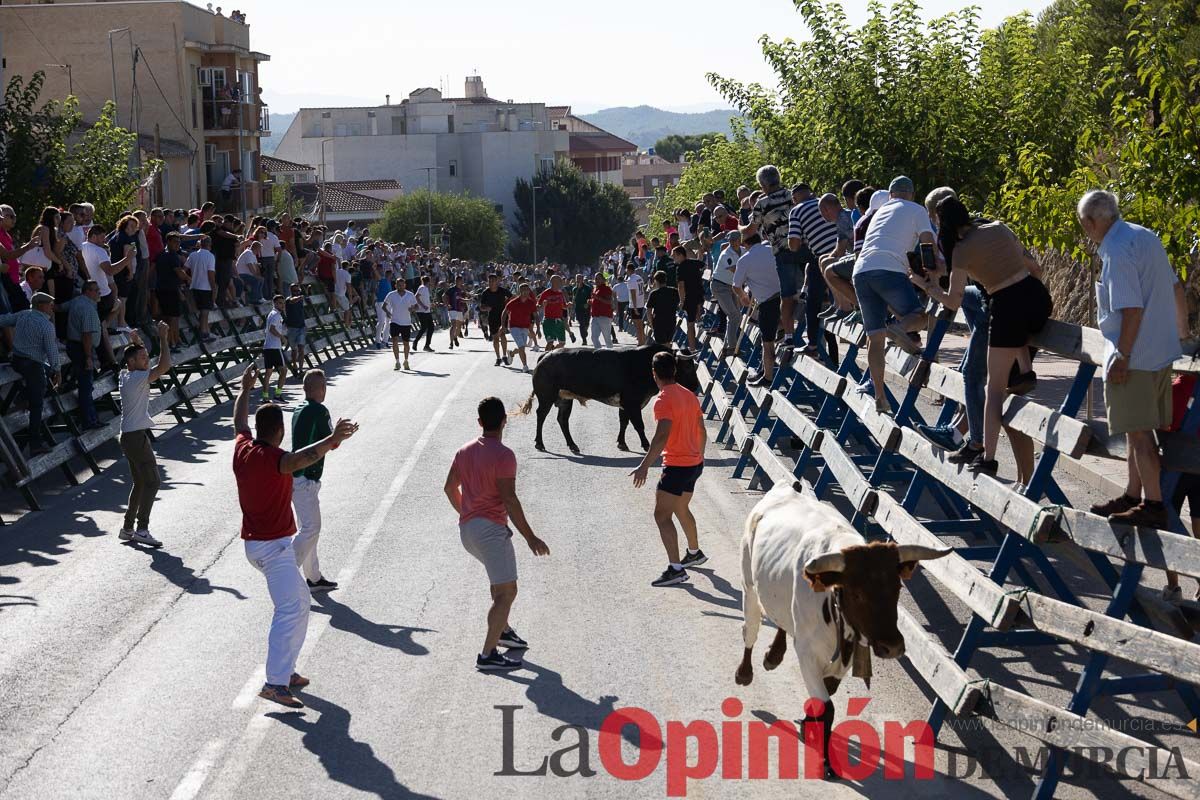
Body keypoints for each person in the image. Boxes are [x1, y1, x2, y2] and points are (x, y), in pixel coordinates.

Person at [232, 364, 358, 708]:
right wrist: (333, 440)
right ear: (279, 432)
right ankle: (274, 682)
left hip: (260, 545)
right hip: (272, 549)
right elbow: (305, 457)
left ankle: (285, 672)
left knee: (301, 603)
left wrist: (245, 389)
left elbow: (239, 422)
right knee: (290, 607)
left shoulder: (243, 448)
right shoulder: (276, 459)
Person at [912, 197, 1051, 478]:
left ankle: (987, 456)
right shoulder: (998, 227)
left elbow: (952, 301)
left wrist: (926, 286)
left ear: (943, 224)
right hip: (1037, 299)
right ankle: (1025, 370)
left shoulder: (961, 251)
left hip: (1007, 307)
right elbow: (1032, 267)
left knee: (994, 391)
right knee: (998, 319)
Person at [1080, 189, 1188, 530]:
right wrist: (1181, 335)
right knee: (1136, 430)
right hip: (1160, 352)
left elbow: (1130, 309)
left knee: (1140, 435)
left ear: (1092, 221)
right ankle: (1132, 494)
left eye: (1084, 224)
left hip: (1136, 356)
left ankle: (1152, 504)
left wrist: (1123, 355)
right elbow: (1175, 288)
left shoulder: (1114, 249)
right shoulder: (1145, 235)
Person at [444, 396, 550, 672]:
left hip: (468, 530)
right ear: (505, 421)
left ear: (479, 422)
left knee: (498, 585)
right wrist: (531, 537)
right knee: (507, 592)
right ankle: (488, 654)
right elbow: (510, 499)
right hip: (489, 530)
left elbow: (449, 488)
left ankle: (502, 631)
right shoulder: (504, 455)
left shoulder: (464, 451)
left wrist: (466, 513)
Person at [851, 176, 932, 413]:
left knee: (874, 337)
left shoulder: (880, 211)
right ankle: (898, 328)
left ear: (890, 194)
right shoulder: (917, 210)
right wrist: (931, 272)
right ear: (912, 194)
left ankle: (879, 395)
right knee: (921, 316)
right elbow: (927, 243)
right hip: (889, 269)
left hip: (861, 271)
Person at [631, 351, 708, 587]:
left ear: (654, 374)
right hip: (694, 463)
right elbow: (702, 429)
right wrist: (700, 457)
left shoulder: (663, 400)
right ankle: (694, 553)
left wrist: (644, 465)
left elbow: (662, 434)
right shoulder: (689, 396)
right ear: (674, 371)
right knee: (682, 507)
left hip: (676, 466)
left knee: (661, 515)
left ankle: (676, 569)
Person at [117, 321, 172, 546]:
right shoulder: (137, 378)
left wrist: (136, 343)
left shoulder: (125, 374)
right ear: (131, 363)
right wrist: (163, 338)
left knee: (140, 482)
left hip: (129, 437)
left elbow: (138, 357)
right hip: (136, 438)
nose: (146, 360)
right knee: (153, 482)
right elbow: (164, 365)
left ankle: (127, 528)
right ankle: (142, 528)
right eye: (142, 358)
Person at [291, 369, 340, 592]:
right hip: (306, 478)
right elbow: (332, 442)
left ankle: (313, 577)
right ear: (321, 389)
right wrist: (340, 434)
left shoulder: (298, 408)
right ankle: (287, 572)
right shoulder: (320, 410)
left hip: (297, 477)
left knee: (307, 528)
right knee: (311, 528)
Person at [740, 166, 796, 343]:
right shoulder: (791, 195)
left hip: (782, 251)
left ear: (762, 184)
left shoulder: (762, 204)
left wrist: (739, 227)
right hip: (801, 246)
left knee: (786, 296)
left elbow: (750, 230)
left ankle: (788, 336)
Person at [1, 292, 61, 454]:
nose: (52, 308)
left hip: (18, 361)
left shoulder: (23, 315)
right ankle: (35, 443)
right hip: (33, 365)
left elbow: (4, 320)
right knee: (37, 404)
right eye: (50, 305)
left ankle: (25, 397)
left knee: (44, 376)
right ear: (41, 305)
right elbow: (51, 351)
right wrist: (58, 370)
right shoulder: (46, 326)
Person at [65, 281, 105, 430]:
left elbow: (61, 307)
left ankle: (90, 418)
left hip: (76, 346)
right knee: (86, 387)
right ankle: (89, 420)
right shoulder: (87, 308)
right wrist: (88, 357)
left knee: (85, 385)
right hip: (82, 348)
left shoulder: (77, 301)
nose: (99, 292)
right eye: (96, 290)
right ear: (87, 291)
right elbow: (86, 334)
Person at [154, 232, 188, 351]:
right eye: (175, 242)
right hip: (169, 290)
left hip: (164, 289)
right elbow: (179, 273)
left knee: (173, 316)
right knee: (172, 318)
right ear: (168, 242)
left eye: (179, 242)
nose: (177, 244)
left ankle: (176, 340)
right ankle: (171, 343)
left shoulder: (161, 255)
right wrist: (189, 279)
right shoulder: (172, 255)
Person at [711, 231, 744, 350]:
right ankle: (732, 348)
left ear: (740, 239)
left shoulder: (744, 251)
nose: (733, 242)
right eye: (731, 240)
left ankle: (727, 346)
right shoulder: (726, 254)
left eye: (736, 239)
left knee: (737, 317)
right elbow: (735, 270)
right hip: (720, 286)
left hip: (732, 286)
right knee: (734, 316)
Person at [672, 246, 705, 353]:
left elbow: (681, 286)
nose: (673, 258)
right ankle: (699, 320)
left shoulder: (680, 268)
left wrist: (681, 301)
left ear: (680, 255)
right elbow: (703, 264)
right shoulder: (693, 262)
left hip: (689, 298)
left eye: (674, 255)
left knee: (690, 325)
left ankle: (692, 348)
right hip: (699, 295)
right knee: (697, 311)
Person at [187, 235, 218, 343]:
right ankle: (204, 333)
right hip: (205, 287)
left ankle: (203, 331)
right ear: (210, 245)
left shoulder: (193, 255)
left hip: (194, 286)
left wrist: (189, 279)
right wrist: (213, 287)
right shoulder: (210, 256)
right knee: (205, 312)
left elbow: (185, 268)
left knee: (199, 311)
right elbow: (210, 273)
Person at [383, 277, 418, 371]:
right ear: (395, 285)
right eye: (398, 284)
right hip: (394, 321)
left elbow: (416, 306)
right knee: (395, 340)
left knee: (406, 343)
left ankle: (406, 361)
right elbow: (384, 306)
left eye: (402, 284)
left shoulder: (410, 295)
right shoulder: (391, 294)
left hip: (406, 322)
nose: (400, 286)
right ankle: (397, 361)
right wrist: (387, 312)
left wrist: (413, 309)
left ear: (405, 285)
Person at [502, 283, 538, 372]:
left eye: (527, 290)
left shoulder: (531, 303)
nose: (525, 292)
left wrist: (538, 328)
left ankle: (512, 353)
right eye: (523, 290)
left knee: (522, 347)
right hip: (514, 327)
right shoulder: (514, 302)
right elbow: (504, 313)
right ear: (520, 291)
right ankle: (525, 366)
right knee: (522, 347)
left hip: (525, 327)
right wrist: (503, 326)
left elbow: (535, 315)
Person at [479, 273, 511, 366]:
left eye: (493, 280)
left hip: (503, 316)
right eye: (490, 281)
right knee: (495, 338)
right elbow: (481, 306)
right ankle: (498, 358)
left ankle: (504, 356)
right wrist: (486, 308)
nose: (491, 282)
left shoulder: (503, 291)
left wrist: (508, 306)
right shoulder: (485, 293)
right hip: (492, 317)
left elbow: (512, 298)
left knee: (502, 335)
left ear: (497, 281)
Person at [261, 295, 288, 401]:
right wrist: (282, 337)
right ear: (275, 304)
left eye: (283, 303)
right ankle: (277, 394)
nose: (282, 305)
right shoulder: (276, 315)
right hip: (275, 347)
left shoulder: (272, 314)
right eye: (280, 303)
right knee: (284, 371)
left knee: (268, 373)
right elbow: (272, 329)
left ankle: (265, 397)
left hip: (267, 347)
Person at [646, 270, 680, 346]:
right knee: (668, 343)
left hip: (659, 322)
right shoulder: (674, 291)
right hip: (671, 320)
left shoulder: (654, 294)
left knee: (661, 345)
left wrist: (651, 323)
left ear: (656, 281)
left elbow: (649, 311)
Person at [537, 275, 568, 352]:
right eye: (558, 281)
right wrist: (543, 305)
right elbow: (537, 306)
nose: (560, 283)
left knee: (562, 344)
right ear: (552, 282)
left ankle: (551, 352)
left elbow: (564, 306)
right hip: (549, 321)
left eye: (560, 282)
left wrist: (568, 305)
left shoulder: (560, 294)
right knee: (550, 342)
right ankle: (545, 358)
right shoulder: (546, 293)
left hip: (559, 321)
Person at [284, 284, 308, 374]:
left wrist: (305, 324)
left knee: (301, 348)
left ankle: (301, 369)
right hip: (292, 328)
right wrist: (299, 297)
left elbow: (301, 312)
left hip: (301, 327)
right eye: (295, 291)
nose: (297, 293)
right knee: (294, 350)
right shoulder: (288, 300)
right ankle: (294, 364)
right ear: (291, 291)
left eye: (298, 291)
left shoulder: (300, 300)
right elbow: (292, 300)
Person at [589, 272, 616, 349]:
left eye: (599, 278)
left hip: (605, 316)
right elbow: (596, 300)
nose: (597, 280)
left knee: (607, 339)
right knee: (594, 338)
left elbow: (609, 301)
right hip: (595, 316)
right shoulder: (595, 289)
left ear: (603, 280)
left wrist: (597, 298)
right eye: (595, 278)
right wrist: (591, 301)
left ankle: (611, 355)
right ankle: (599, 353)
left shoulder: (606, 289)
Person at [625, 263, 647, 345]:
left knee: (637, 324)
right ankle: (642, 340)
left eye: (627, 270)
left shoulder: (631, 279)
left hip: (635, 304)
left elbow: (633, 293)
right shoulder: (639, 277)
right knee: (640, 324)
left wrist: (634, 307)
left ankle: (640, 342)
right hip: (640, 302)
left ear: (629, 270)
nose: (626, 271)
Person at [415, 275, 436, 352]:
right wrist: (423, 306)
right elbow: (416, 297)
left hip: (427, 311)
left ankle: (427, 345)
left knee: (430, 327)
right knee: (424, 327)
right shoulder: (422, 288)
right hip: (421, 311)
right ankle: (416, 342)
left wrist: (430, 305)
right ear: (428, 281)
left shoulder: (426, 289)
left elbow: (425, 300)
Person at [571, 273, 592, 346]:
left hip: (587, 309)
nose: (578, 280)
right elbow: (574, 298)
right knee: (581, 324)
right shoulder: (574, 289)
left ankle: (585, 331)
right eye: (577, 278)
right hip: (578, 309)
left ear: (582, 279)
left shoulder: (587, 288)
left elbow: (590, 297)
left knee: (586, 323)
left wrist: (588, 303)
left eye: (579, 278)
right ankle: (584, 340)